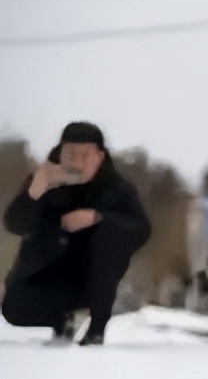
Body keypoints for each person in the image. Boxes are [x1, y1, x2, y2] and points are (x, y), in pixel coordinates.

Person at [2, 122, 151, 345]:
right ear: (60, 153)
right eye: (71, 154)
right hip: (47, 269)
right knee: (14, 309)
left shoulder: (117, 188)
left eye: (85, 155)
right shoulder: (45, 181)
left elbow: (141, 228)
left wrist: (98, 217)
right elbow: (14, 224)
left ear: (99, 156)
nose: (77, 161)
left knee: (109, 234)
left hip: (93, 275)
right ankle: (63, 319)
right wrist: (35, 191)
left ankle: (97, 326)